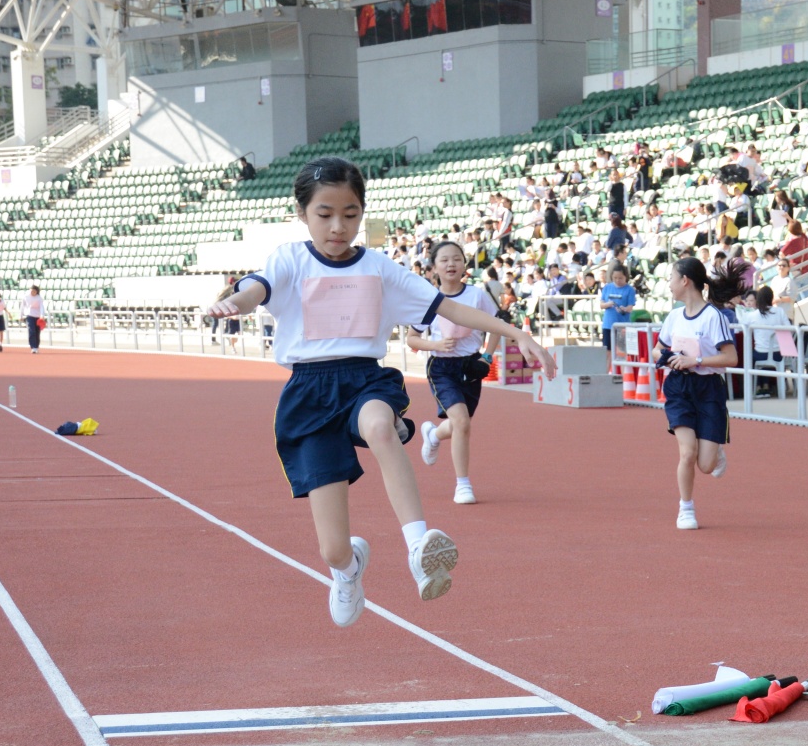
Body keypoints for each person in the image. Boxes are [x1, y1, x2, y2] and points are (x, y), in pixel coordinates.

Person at [200, 157, 555, 626]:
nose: (338, 226)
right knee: (332, 548)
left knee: (380, 427)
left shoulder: (379, 268)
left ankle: (418, 546)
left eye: (350, 214)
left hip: (364, 378)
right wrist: (234, 302)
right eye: (325, 214)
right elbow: (256, 289)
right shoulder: (290, 259)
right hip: (308, 393)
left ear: (362, 214)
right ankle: (348, 570)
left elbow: (449, 307)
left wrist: (515, 333)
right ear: (302, 213)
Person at [654, 258, 744, 531]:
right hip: (679, 388)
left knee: (705, 465)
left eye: (671, 278)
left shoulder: (713, 317)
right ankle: (686, 509)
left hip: (708, 390)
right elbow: (657, 350)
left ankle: (714, 451)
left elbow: (731, 357)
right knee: (687, 452)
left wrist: (697, 360)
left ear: (685, 281)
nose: (669, 284)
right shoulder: (673, 317)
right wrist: (669, 357)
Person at [407, 240, 498, 507]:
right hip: (442, 367)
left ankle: (434, 435)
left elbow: (496, 325)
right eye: (444, 260)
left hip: (471, 366)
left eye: (456, 259)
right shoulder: (428, 300)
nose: (451, 264)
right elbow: (412, 339)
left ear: (464, 265)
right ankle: (463, 484)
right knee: (461, 421)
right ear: (434, 267)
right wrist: (435, 345)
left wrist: (486, 357)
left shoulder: (477, 295)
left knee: (461, 423)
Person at [600, 263, 637, 356]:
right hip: (608, 324)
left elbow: (630, 307)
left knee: (621, 352)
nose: (617, 280)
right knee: (607, 351)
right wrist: (608, 304)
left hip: (622, 325)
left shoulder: (630, 290)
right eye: (615, 278)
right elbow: (601, 304)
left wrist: (624, 309)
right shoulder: (607, 287)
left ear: (625, 277)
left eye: (620, 278)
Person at [22, 285, 46, 353]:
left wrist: (42, 315)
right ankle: (33, 347)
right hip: (29, 315)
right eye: (31, 291)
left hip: (37, 316)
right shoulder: (26, 297)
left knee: (37, 332)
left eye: (34, 291)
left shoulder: (39, 298)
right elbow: (22, 306)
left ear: (36, 291)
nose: (32, 292)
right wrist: (21, 315)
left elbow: (41, 307)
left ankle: (36, 346)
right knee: (31, 331)